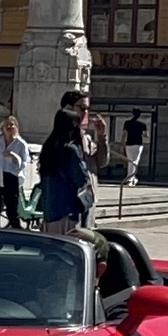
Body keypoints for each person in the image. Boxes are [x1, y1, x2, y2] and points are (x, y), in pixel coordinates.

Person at [37, 108, 91, 234]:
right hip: (68, 209)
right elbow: (80, 178)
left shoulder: (48, 147)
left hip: (49, 209)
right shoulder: (70, 150)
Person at [0, 115, 32, 229]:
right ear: (3, 128)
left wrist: (14, 157)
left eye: (11, 125)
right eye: (6, 125)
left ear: (16, 127)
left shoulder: (21, 144)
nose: (9, 127)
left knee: (11, 209)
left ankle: (16, 232)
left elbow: (24, 163)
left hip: (11, 177)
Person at [57, 89, 98, 224]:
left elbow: (101, 162)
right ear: (68, 108)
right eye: (82, 108)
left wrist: (102, 137)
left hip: (85, 199)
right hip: (67, 204)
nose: (86, 113)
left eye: (87, 109)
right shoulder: (60, 139)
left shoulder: (85, 136)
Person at [123, 109, 148, 183]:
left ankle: (130, 177)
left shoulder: (127, 123)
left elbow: (124, 134)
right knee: (135, 161)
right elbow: (146, 135)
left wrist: (122, 144)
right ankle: (131, 178)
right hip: (138, 144)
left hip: (129, 143)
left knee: (130, 161)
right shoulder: (142, 124)